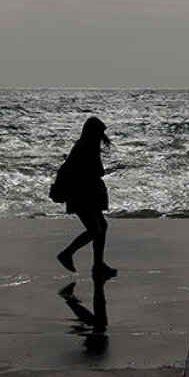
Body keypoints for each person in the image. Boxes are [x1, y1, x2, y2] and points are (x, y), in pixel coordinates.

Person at [56, 117, 117, 279]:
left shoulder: (84, 145)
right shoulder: (85, 147)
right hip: (80, 196)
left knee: (101, 227)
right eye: (100, 132)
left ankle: (98, 265)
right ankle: (67, 254)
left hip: (86, 195)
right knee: (96, 229)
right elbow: (98, 172)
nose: (102, 136)